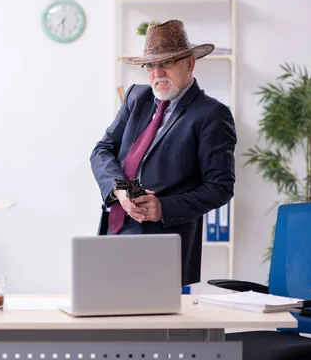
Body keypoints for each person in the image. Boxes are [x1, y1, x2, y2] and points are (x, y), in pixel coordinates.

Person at [90, 20, 237, 286]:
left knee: (149, 324)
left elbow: (220, 187)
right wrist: (120, 191)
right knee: (106, 318)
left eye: (166, 63)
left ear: (189, 63)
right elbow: (103, 150)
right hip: (113, 229)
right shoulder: (136, 97)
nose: (157, 73)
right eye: (150, 65)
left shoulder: (211, 114)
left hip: (163, 240)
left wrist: (163, 208)